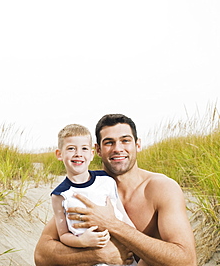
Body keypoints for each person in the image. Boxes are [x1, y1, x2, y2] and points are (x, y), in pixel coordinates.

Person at [34, 114, 197, 266]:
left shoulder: (161, 188)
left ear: (137, 145)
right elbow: (41, 255)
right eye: (109, 142)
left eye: (125, 140)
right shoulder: (87, 189)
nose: (117, 149)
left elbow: (187, 260)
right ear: (97, 150)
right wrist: (98, 255)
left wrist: (112, 224)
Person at [51, 124, 137, 266]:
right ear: (59, 154)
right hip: (92, 258)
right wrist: (81, 241)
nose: (78, 153)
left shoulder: (106, 180)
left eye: (84, 148)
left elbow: (122, 215)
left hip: (123, 255)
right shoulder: (60, 195)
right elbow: (63, 235)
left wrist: (134, 241)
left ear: (91, 154)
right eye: (71, 148)